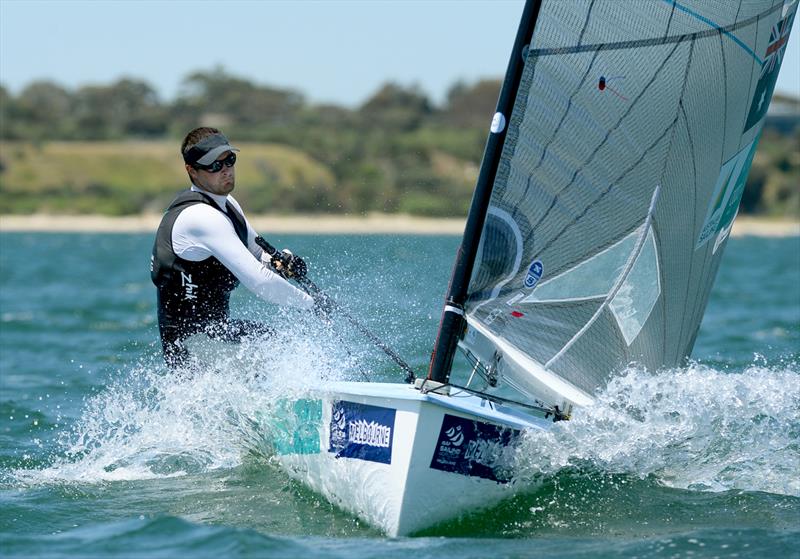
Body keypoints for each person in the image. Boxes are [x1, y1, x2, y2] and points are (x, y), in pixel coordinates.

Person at [151, 127, 315, 368]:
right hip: (190, 347)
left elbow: (258, 254)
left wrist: (281, 263)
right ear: (192, 171)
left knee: (283, 344)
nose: (226, 169)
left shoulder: (227, 205)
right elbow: (261, 282)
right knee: (283, 351)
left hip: (216, 334)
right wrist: (311, 305)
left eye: (229, 160)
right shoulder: (200, 218)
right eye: (214, 165)